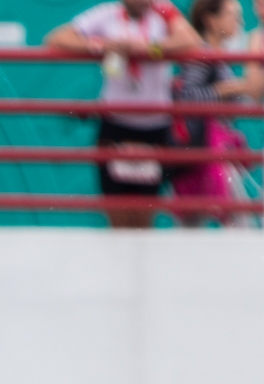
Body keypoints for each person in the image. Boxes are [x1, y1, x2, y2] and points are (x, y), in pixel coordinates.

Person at [46, 0, 202, 229]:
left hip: (155, 127)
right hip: (115, 125)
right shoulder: (107, 14)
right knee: (116, 211)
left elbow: (190, 40)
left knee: (145, 214)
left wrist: (150, 49)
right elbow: (57, 38)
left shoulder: (164, 11)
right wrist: (103, 46)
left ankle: (141, 253)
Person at [172, 0, 257, 227]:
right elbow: (188, 98)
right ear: (210, 20)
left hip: (209, 152)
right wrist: (228, 89)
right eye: (232, 14)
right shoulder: (203, 54)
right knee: (239, 221)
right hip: (205, 152)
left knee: (192, 224)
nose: (238, 21)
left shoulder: (215, 55)